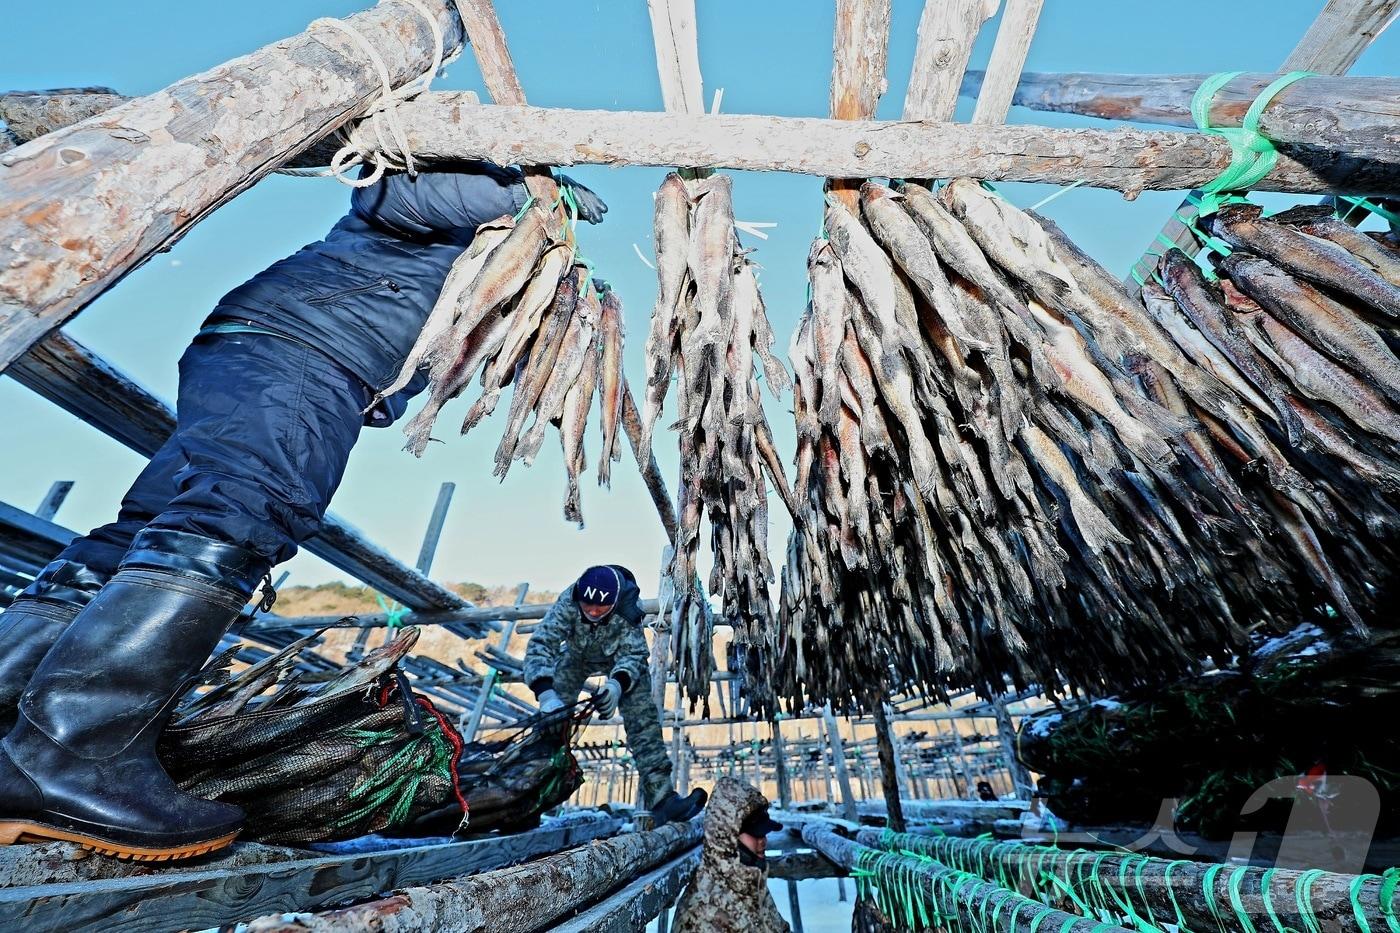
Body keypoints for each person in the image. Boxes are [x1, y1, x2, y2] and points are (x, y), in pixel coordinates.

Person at [0, 162, 606, 860]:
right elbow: (388, 190)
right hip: (303, 354)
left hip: (272, 351)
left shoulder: (481, 273)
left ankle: (11, 724)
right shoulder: (453, 196)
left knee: (148, 529)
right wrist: (527, 189)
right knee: (239, 517)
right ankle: (73, 751)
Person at [524, 564, 706, 825]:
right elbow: (543, 642)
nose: (593, 611)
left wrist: (617, 685)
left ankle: (663, 799)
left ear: (614, 603)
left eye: (601, 608)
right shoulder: (570, 599)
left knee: (642, 717)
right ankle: (531, 798)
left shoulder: (628, 609)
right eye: (588, 606)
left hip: (618, 660)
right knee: (551, 721)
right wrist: (546, 694)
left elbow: (633, 655)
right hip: (576, 656)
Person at [672, 776, 789, 933]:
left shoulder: (748, 881)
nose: (763, 841)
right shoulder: (700, 915)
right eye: (756, 834)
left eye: (764, 834)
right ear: (727, 836)